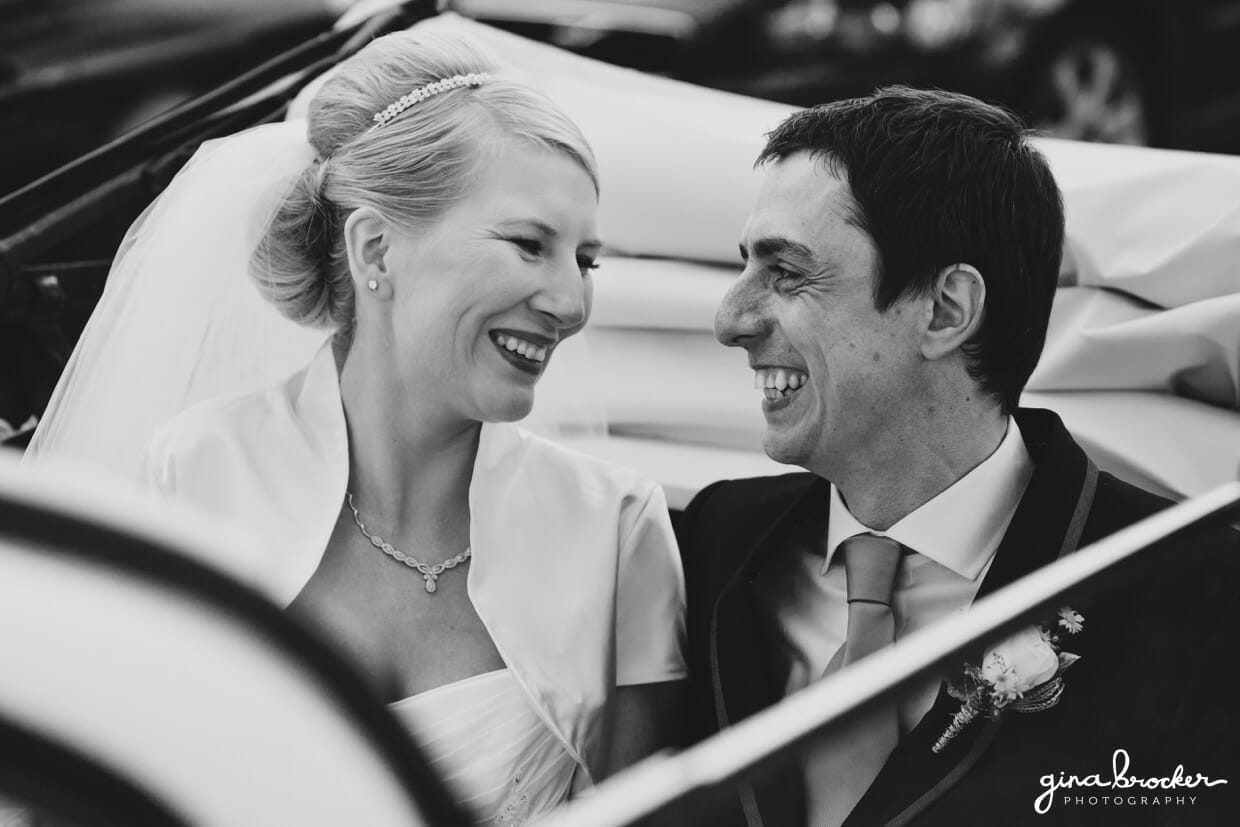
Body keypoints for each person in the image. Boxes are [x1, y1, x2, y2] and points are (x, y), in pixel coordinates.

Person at [26, 29, 685, 825]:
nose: (572, 305)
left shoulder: (618, 525)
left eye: (586, 261)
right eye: (528, 245)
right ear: (375, 247)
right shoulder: (194, 473)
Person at [676, 87, 1238, 826]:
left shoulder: (1201, 594)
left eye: (786, 272)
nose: (730, 319)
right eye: (745, 265)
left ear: (946, 309)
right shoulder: (713, 542)